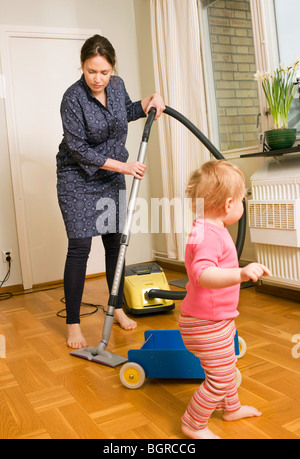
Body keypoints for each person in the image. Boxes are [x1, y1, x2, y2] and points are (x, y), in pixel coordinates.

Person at [56, 35, 165, 349]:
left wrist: (146, 103)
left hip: (111, 174)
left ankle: (116, 307)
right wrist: (124, 167)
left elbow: (124, 113)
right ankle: (73, 325)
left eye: (104, 72)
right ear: (82, 66)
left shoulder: (116, 86)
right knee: (79, 248)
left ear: (112, 69)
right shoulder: (72, 98)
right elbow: (78, 149)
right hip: (77, 177)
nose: (98, 79)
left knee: (115, 244)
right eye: (92, 71)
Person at [179, 160, 272, 439]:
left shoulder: (205, 228)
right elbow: (203, 274)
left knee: (227, 366)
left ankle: (231, 408)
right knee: (218, 379)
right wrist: (240, 273)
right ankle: (193, 424)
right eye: (242, 200)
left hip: (214, 319)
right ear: (229, 204)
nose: (242, 207)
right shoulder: (209, 236)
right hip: (206, 323)